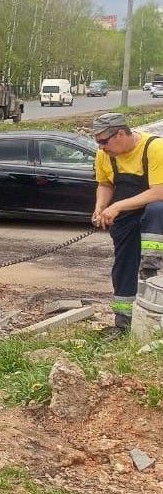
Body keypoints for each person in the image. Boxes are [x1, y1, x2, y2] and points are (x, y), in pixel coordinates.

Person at [91, 113, 163, 336]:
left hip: (155, 212)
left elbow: (159, 191)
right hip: (125, 218)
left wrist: (117, 206)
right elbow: (105, 184)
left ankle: (151, 262)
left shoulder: (154, 147)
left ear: (121, 133)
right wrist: (101, 207)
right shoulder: (105, 155)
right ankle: (124, 322)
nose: (101, 147)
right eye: (98, 142)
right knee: (123, 266)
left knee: (156, 209)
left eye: (104, 141)